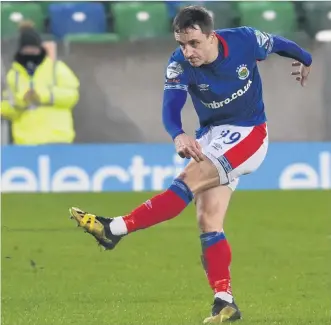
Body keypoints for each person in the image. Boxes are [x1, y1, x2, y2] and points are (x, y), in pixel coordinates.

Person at [69, 6, 312, 323]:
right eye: (182, 44)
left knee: (187, 181)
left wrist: (305, 59)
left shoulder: (245, 40)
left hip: (249, 133)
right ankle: (224, 301)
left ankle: (114, 229)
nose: (188, 51)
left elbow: (281, 43)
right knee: (208, 221)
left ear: (212, 36)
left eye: (194, 43)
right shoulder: (179, 63)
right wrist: (178, 135)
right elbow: (171, 106)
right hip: (212, 134)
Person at [1, 21, 79, 145]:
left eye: (33, 49)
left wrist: (42, 96)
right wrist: (22, 100)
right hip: (25, 143)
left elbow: (72, 96)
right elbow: (5, 107)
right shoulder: (13, 75)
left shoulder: (57, 68)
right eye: (26, 49)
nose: (30, 52)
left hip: (58, 140)